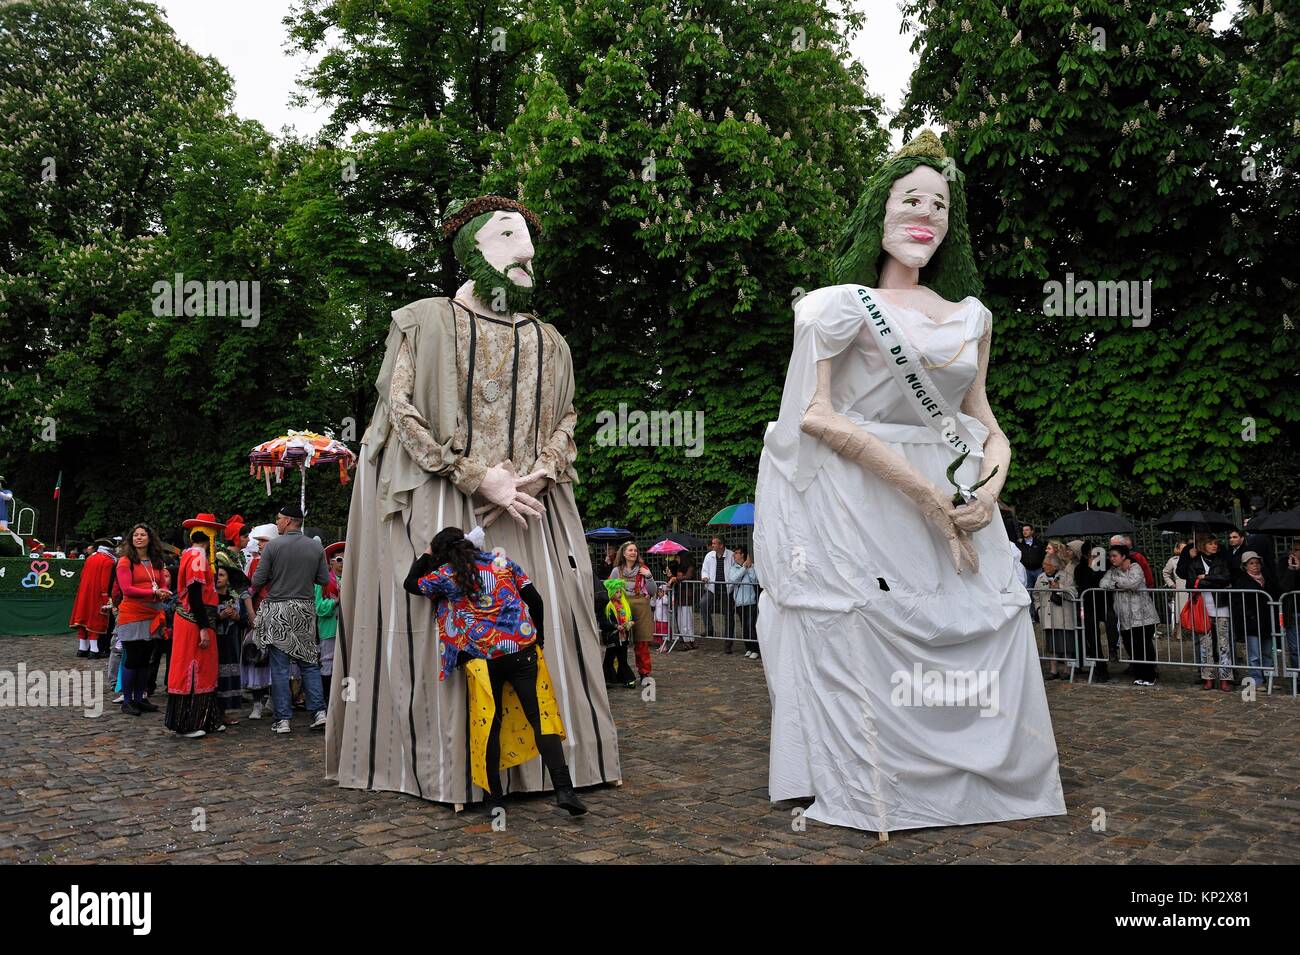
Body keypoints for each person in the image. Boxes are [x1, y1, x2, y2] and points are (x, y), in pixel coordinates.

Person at [754, 129, 1063, 832]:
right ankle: (875, 783)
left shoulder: (971, 316)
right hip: (862, 500)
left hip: (957, 493)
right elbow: (814, 415)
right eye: (911, 198)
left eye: (941, 203)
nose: (926, 213)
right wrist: (923, 494)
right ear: (880, 211)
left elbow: (984, 421)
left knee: (993, 622)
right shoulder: (835, 305)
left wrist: (987, 489)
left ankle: (986, 781)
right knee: (865, 622)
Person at [404, 526, 587, 816]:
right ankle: (564, 789)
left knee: (489, 725)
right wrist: (537, 639)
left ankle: (494, 799)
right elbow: (535, 600)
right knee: (540, 719)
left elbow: (411, 583)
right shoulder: (502, 562)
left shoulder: (444, 576)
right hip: (521, 651)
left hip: (482, 660)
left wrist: (428, 552)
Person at [251, 505, 330, 734]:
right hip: (305, 607)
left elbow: (258, 579)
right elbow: (323, 578)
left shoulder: (273, 546)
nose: (277, 523)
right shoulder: (315, 547)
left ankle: (283, 719)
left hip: (279, 608)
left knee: (279, 666)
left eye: (278, 519)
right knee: (309, 663)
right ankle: (319, 711)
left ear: (287, 521)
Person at [165, 527, 225, 738]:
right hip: (194, 621)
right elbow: (195, 595)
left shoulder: (189, 555)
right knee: (193, 668)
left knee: (202, 667)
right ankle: (187, 722)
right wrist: (202, 628)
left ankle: (206, 718)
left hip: (196, 619)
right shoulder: (198, 556)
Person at [113, 524, 171, 716]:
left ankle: (140, 697)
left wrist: (163, 592)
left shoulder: (156, 562)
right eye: (136, 535)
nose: (139, 538)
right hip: (132, 615)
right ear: (131, 539)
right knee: (133, 657)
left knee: (146, 658)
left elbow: (162, 583)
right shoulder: (125, 561)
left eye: (143, 535)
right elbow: (127, 589)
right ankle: (128, 700)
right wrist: (154, 592)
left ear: (149, 538)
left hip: (152, 614)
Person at [1177, 534, 1234, 691]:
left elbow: (1226, 578)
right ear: (1203, 545)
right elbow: (1191, 583)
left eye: (1215, 543)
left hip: (1221, 605)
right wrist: (1209, 580)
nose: (1214, 546)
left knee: (1224, 644)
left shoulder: (1221, 560)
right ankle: (1207, 677)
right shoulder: (1194, 562)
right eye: (1210, 543)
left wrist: (1206, 577)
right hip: (1202, 606)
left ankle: (1225, 677)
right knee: (1205, 644)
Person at [1100, 544, 1160, 686]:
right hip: (1125, 616)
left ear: (1123, 556)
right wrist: (1117, 584)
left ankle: (1150, 675)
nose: (1111, 559)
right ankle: (1139, 674)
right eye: (1110, 556)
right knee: (1131, 646)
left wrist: (1115, 584)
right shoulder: (1112, 571)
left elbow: (1132, 583)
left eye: (1115, 556)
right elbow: (1103, 583)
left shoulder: (1135, 568)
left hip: (1142, 615)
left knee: (1143, 645)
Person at [240, 524, 276, 719]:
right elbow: (248, 590)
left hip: (277, 616)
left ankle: (272, 699)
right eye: (259, 540)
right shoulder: (253, 563)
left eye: (264, 541)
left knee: (275, 661)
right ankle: (256, 703)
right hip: (258, 615)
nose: (259, 544)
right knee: (255, 658)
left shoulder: (282, 561)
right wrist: (251, 614)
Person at [608, 541, 655, 685]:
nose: (633, 552)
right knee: (620, 642)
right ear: (623, 553)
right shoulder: (617, 571)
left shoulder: (643, 569)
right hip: (623, 606)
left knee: (642, 642)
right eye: (630, 550)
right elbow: (610, 590)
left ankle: (645, 673)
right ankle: (620, 673)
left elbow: (652, 591)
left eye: (635, 550)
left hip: (641, 606)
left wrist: (649, 576)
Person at [213, 552, 249, 724]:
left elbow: (243, 622)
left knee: (227, 678)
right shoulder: (210, 598)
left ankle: (224, 712)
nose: (218, 578)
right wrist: (220, 616)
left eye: (221, 575)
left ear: (228, 579)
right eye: (216, 575)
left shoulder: (234, 599)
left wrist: (235, 617)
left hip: (231, 644)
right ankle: (213, 711)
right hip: (215, 644)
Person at [1234, 551, 1278, 686]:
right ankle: (1257, 680)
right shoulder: (1242, 581)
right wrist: (1249, 615)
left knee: (1268, 653)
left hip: (1267, 621)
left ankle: (1269, 679)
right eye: (1251, 563)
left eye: (1257, 563)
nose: (1255, 566)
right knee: (1254, 655)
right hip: (1252, 622)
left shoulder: (1267, 579)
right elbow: (1238, 602)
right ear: (1245, 566)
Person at [69, 538, 116, 658]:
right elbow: (104, 582)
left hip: (84, 593)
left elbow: (82, 575)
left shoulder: (90, 558)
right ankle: (94, 650)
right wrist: (106, 597)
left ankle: (82, 648)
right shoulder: (108, 561)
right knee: (94, 621)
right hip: (97, 595)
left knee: (83, 620)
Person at [1070, 539, 1109, 682]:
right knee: (1091, 637)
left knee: (1109, 631)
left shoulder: (1103, 566)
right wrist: (1090, 568)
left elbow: (1102, 581)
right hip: (1087, 606)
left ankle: (1110, 656)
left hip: (1102, 604)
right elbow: (1084, 585)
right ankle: (1099, 667)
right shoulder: (1080, 568)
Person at [1033, 554, 1076, 679]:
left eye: (1047, 565)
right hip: (1047, 615)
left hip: (1063, 615)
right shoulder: (1040, 577)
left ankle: (1067, 671)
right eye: (1044, 564)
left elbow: (1074, 592)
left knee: (1066, 644)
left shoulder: (1066, 576)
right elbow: (1035, 595)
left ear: (1055, 566)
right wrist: (1039, 609)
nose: (1044, 566)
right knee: (1051, 645)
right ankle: (1053, 671)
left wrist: (1060, 588)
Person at [700, 536, 736, 651]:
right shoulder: (709, 556)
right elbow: (704, 569)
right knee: (703, 603)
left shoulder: (731, 555)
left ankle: (728, 643)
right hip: (712, 587)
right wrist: (705, 577)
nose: (712, 545)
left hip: (727, 589)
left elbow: (735, 569)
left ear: (721, 545)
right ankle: (709, 628)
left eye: (715, 543)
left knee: (729, 615)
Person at [729, 545, 760, 659]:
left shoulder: (752, 566)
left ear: (743, 555)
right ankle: (748, 648)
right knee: (744, 626)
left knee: (751, 625)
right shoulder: (733, 568)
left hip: (750, 601)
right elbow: (733, 579)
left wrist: (749, 567)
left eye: (736, 553)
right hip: (739, 601)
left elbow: (754, 580)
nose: (734, 555)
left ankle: (755, 649)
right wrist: (743, 568)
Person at [315, 566, 340, 702]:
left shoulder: (353, 577)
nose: (342, 562)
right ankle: (329, 701)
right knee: (328, 663)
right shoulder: (322, 582)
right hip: (329, 629)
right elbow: (318, 607)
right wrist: (336, 601)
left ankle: (349, 700)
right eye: (338, 559)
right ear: (331, 561)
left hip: (348, 629)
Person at [668, 555, 698, 651]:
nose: (677, 559)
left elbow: (688, 577)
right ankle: (687, 640)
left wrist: (675, 579)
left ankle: (689, 640)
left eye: (678, 557)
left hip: (686, 595)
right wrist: (671, 576)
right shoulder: (679, 567)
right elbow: (674, 579)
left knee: (686, 619)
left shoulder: (690, 567)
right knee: (682, 619)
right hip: (680, 595)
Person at [1280, 540, 1300, 678]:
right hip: (1292, 611)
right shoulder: (1283, 563)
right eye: (1296, 548)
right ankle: (1298, 678)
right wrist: (1291, 570)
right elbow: (1284, 587)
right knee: (1295, 649)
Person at [1017, 524, 1046, 589]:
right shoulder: (1019, 544)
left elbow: (1043, 555)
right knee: (1028, 589)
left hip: (1038, 570)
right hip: (1026, 570)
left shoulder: (1038, 543)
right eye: (1023, 530)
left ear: (1032, 531)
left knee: (1040, 588)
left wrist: (1043, 568)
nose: (1024, 532)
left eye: (1027, 530)